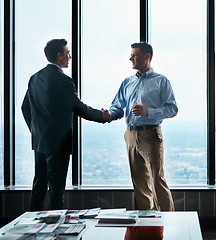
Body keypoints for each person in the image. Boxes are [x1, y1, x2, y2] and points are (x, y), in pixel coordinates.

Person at [21, 39, 110, 211]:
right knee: (56, 190)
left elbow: (25, 107)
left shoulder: (34, 78)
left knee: (38, 187)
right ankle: (55, 229)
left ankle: (31, 227)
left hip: (40, 142)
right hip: (58, 143)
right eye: (67, 53)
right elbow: (78, 107)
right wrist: (102, 116)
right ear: (59, 55)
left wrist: (36, 130)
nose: (70, 56)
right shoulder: (63, 80)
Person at [107, 42, 177, 211]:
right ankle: (148, 224)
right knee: (139, 182)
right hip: (130, 135)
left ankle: (169, 221)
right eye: (131, 55)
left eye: (134, 55)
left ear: (147, 57)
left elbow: (172, 109)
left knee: (157, 180)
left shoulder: (161, 81)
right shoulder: (127, 82)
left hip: (151, 134)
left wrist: (148, 112)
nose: (130, 58)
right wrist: (106, 115)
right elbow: (117, 106)